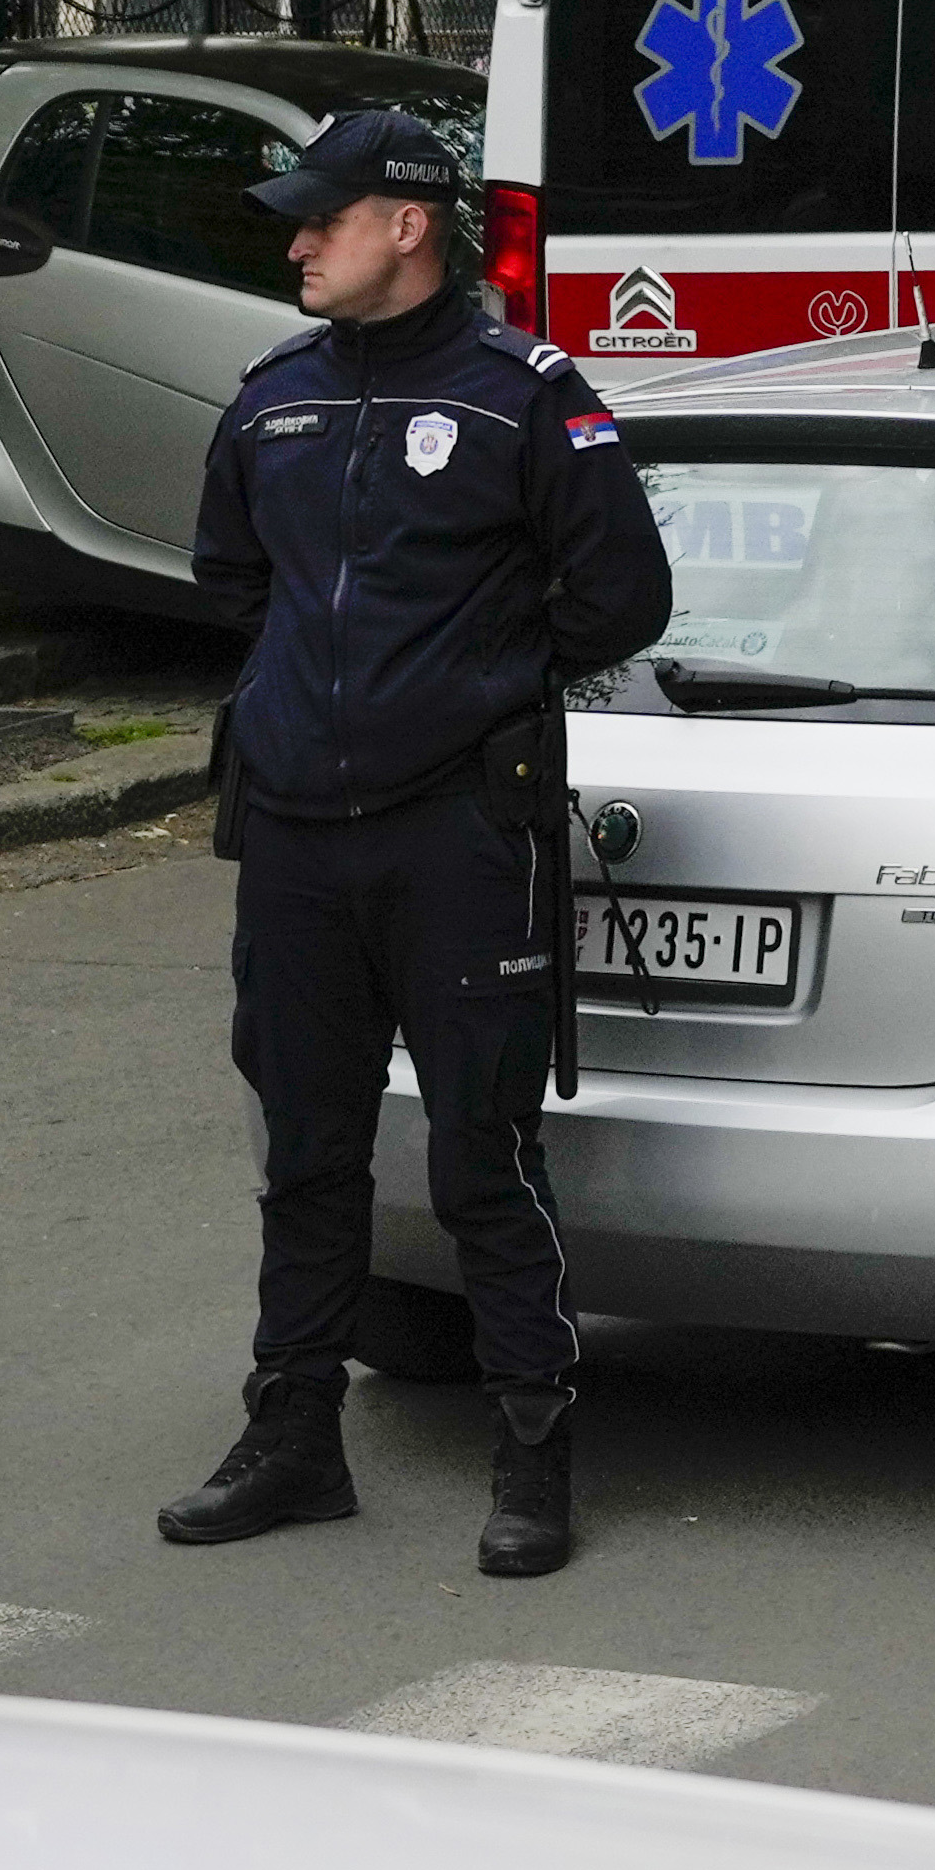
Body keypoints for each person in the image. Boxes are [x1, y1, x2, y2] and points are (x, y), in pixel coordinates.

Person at [156, 108, 668, 1580]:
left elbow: (619, 594)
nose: (295, 241)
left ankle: (531, 1448)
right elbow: (230, 579)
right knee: (307, 1147)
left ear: (406, 225)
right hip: (298, 842)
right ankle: (293, 1436)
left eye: (320, 216)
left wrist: (470, 685)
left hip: (458, 832)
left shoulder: (526, 395)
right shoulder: (273, 397)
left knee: (478, 1151)